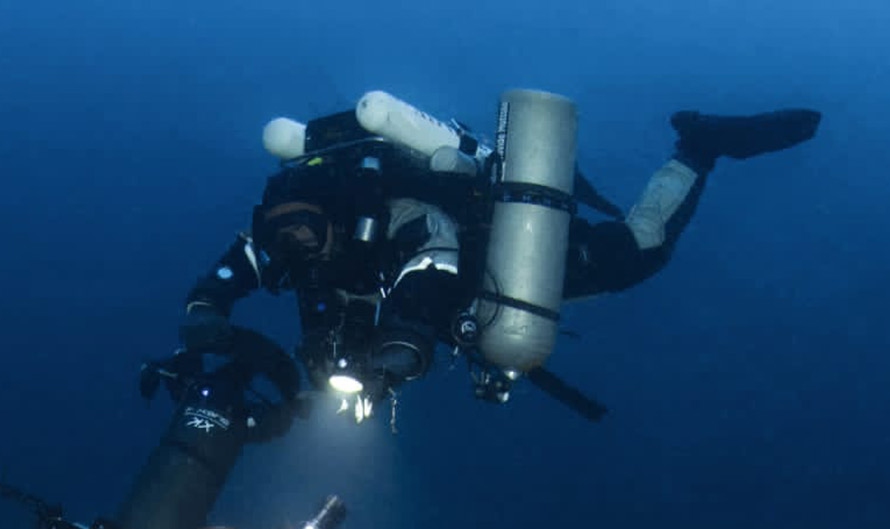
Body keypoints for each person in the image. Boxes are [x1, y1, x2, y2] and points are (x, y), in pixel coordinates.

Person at [177, 97, 822, 416]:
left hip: (497, 254)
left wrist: (403, 340)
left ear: (334, 215)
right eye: (281, 233)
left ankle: (700, 149)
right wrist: (205, 313)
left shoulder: (384, 212)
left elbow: (430, 254)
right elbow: (227, 277)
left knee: (641, 250)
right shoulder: (276, 235)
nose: (294, 245)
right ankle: (699, 150)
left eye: (305, 230)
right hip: (457, 300)